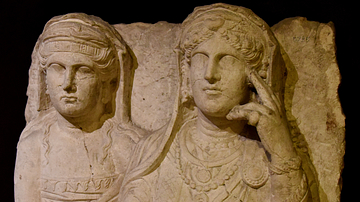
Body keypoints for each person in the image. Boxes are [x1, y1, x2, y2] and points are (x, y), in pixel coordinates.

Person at [119, 3, 310, 201]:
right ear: (186, 72)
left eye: (226, 59)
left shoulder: (272, 157)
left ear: (254, 76)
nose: (209, 74)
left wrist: (283, 155)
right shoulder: (152, 152)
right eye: (201, 58)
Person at [14, 13, 142, 201]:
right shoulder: (34, 146)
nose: (67, 84)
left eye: (83, 70)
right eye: (57, 68)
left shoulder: (129, 147)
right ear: (45, 82)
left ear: (107, 84)